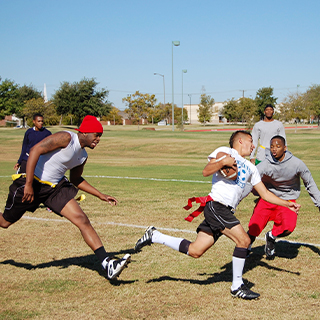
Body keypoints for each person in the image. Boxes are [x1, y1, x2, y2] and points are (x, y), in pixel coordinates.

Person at [134, 130, 300, 300]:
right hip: (216, 206)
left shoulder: (251, 168)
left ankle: (154, 235)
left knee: (195, 250)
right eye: (251, 141)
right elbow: (206, 171)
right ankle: (237, 286)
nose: (253, 145)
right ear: (240, 141)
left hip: (225, 210)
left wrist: (288, 204)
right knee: (244, 241)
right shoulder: (225, 152)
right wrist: (223, 162)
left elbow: (264, 194)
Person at [0, 115, 131, 280]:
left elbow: (76, 180)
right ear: (84, 132)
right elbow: (35, 150)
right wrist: (28, 184)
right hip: (32, 183)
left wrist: (100, 195)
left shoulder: (82, 156)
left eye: (100, 136)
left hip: (55, 189)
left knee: (82, 219)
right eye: (96, 135)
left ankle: (107, 263)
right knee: (4, 222)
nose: (98, 139)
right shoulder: (66, 138)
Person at [245, 135, 320, 259]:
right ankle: (246, 246)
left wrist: (319, 203)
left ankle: (271, 237)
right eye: (272, 147)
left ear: (285, 148)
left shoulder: (297, 164)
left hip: (287, 200)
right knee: (254, 226)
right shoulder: (265, 164)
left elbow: (310, 184)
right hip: (268, 198)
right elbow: (249, 181)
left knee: (288, 227)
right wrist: (237, 199)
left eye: (278, 146)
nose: (274, 149)